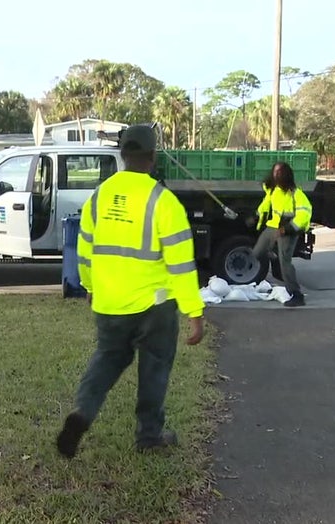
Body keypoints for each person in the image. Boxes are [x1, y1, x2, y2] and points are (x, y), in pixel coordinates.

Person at [56, 125, 205, 458]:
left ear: (122, 156)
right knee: (154, 368)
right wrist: (195, 313)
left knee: (107, 359)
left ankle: (83, 411)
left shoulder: (100, 196)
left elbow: (85, 249)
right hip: (155, 307)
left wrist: (91, 286)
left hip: (109, 302)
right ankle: (149, 437)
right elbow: (181, 263)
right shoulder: (163, 201)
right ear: (153, 158)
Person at [250, 162, 312, 307]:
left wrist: (288, 229)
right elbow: (265, 204)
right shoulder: (273, 191)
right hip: (273, 227)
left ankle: (297, 295)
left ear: (286, 175)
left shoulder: (296, 194)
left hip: (288, 231)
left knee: (285, 263)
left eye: (279, 172)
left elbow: (305, 214)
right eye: (274, 171)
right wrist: (256, 216)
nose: (275, 174)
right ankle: (275, 254)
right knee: (256, 253)